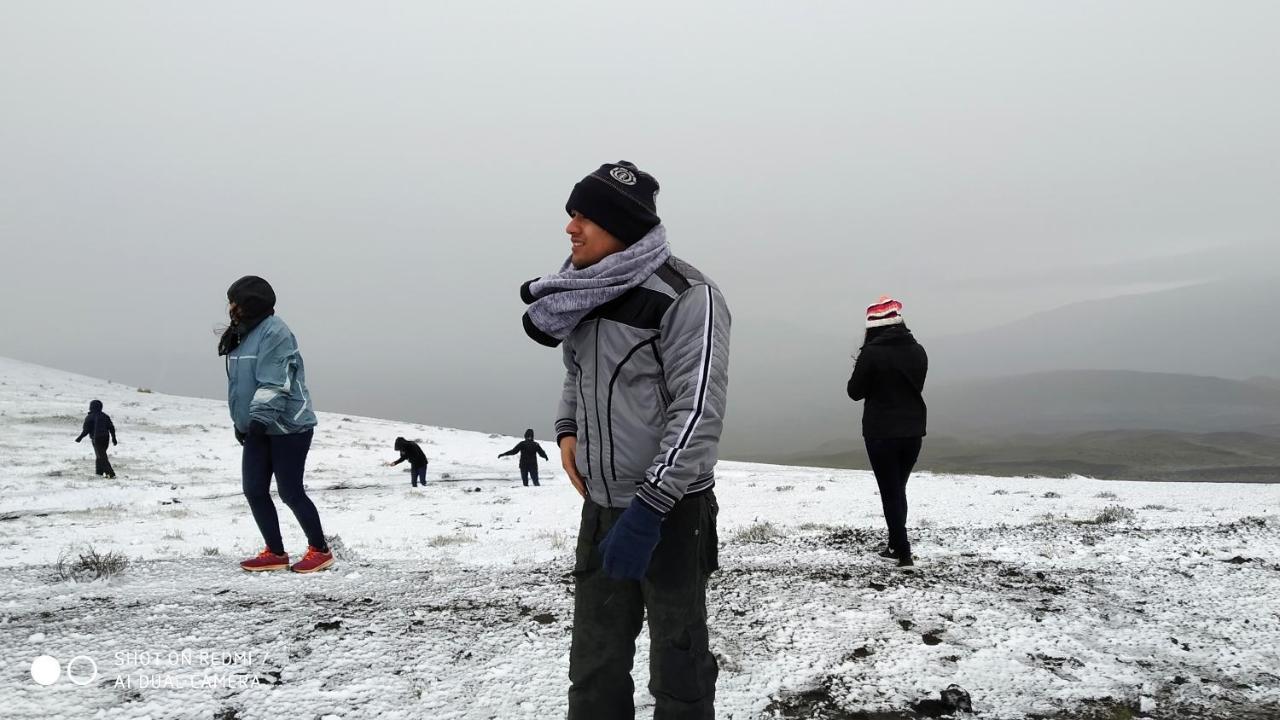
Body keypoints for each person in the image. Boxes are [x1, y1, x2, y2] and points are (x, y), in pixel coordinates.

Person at [521, 161, 730, 719]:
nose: (571, 228)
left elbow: (699, 410)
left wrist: (650, 509)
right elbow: (576, 372)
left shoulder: (688, 296)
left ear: (625, 228)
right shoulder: (583, 290)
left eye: (587, 217)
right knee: (594, 665)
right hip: (602, 504)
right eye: (572, 214)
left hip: (672, 511)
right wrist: (566, 430)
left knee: (678, 664)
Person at [218, 275, 334, 574]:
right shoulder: (243, 334)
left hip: (288, 427)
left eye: (234, 301)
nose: (230, 306)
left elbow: (274, 382)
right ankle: (275, 552)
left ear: (248, 304)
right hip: (258, 425)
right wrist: (241, 421)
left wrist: (257, 419)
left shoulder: (275, 333)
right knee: (254, 489)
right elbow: (240, 386)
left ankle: (320, 550)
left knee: (290, 491)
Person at [846, 295, 928, 569]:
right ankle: (895, 544)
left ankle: (902, 551)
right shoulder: (918, 351)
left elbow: (854, 392)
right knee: (898, 489)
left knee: (890, 491)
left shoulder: (871, 354)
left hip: (881, 431)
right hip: (914, 430)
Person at [74, 399, 117, 479]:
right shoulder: (105, 416)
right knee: (100, 455)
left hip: (96, 438)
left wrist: (79, 438)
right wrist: (114, 438)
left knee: (101, 456)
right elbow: (111, 428)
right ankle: (99, 473)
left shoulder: (89, 417)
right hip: (105, 438)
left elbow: (86, 430)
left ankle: (111, 474)